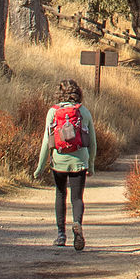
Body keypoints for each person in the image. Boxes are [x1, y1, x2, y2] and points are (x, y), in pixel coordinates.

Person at [33, 78, 97, 251]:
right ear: (78, 93)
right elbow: (92, 141)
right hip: (79, 161)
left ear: (59, 93)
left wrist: (40, 167)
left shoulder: (53, 112)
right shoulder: (83, 111)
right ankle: (77, 224)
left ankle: (61, 235)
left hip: (59, 160)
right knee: (77, 198)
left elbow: (47, 141)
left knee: (60, 194)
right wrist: (90, 165)